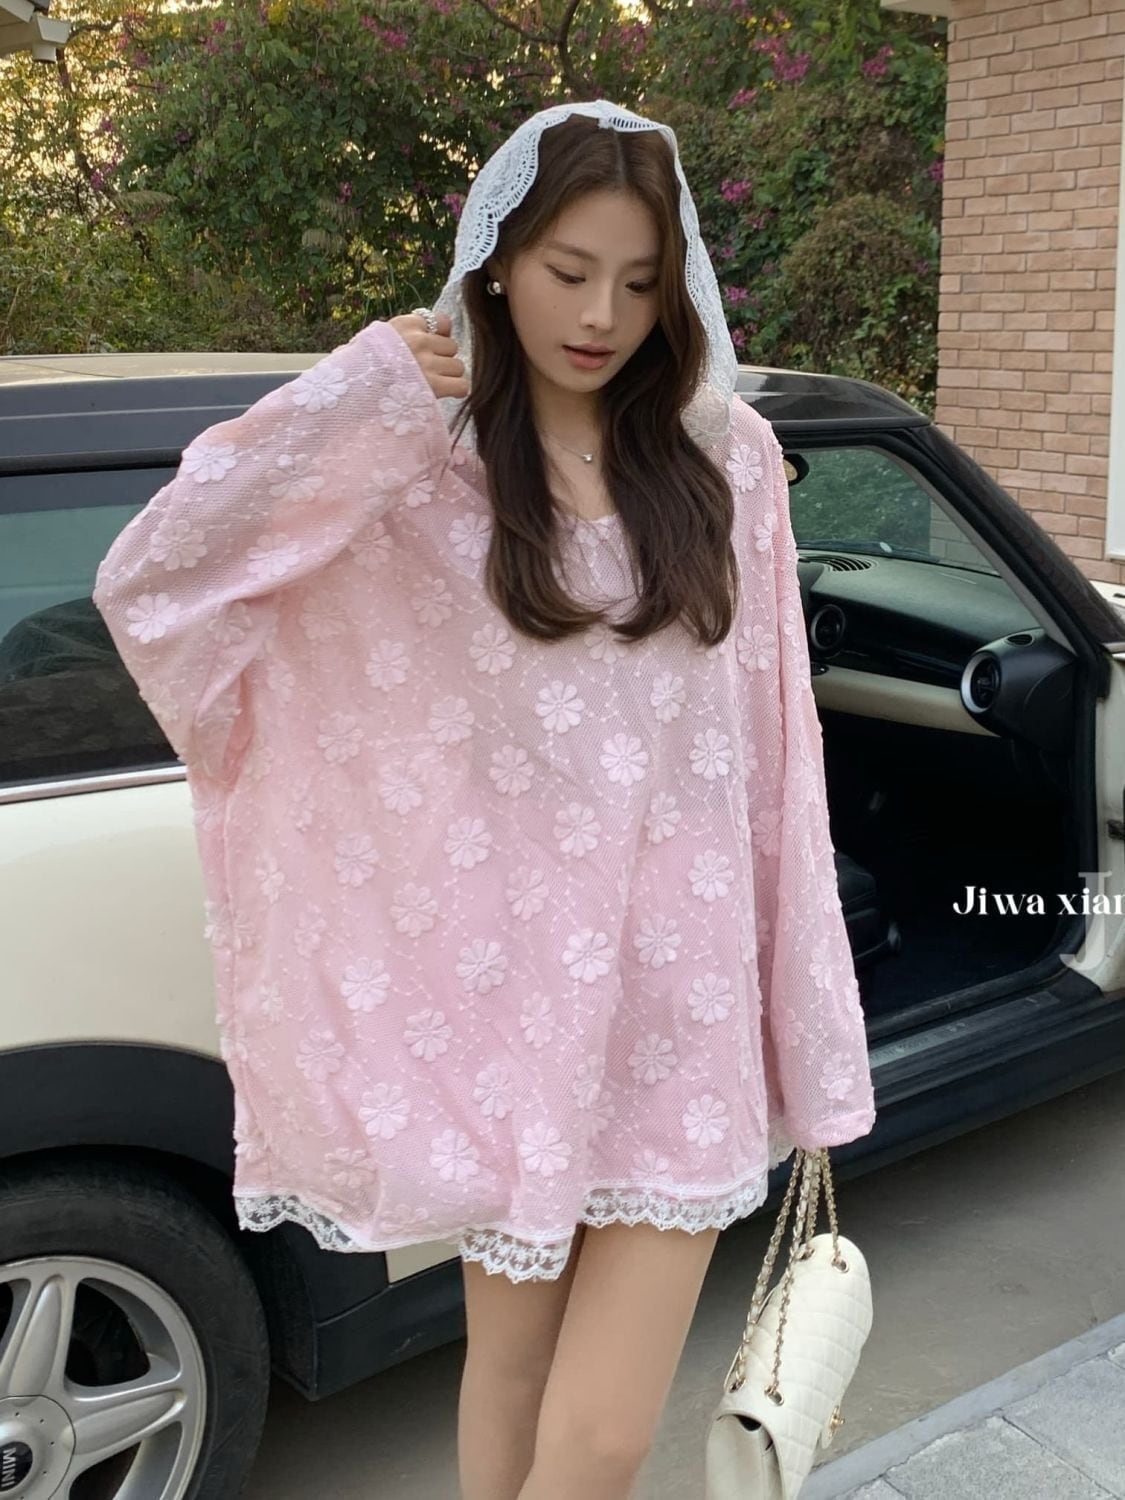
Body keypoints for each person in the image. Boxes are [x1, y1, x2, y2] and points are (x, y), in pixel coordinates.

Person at [92, 99, 876, 1500]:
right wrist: (354, 397)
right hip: (513, 1016)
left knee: (602, 1437)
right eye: (569, 270)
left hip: (679, 1015)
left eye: (640, 281)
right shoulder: (412, 470)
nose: (603, 315)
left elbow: (774, 757)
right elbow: (157, 585)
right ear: (498, 260)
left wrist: (797, 1015)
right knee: (506, 1377)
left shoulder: (726, 461)